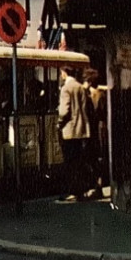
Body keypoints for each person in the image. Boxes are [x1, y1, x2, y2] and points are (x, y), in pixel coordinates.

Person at [56, 65, 91, 202]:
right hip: (81, 129)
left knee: (70, 163)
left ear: (64, 73)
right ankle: (81, 191)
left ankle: (73, 191)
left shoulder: (66, 88)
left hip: (69, 130)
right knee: (79, 161)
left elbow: (64, 111)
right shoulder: (80, 87)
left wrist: (59, 122)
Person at [82, 67, 109, 199]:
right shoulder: (100, 94)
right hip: (99, 128)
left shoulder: (91, 95)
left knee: (94, 157)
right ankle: (98, 184)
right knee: (98, 157)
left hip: (95, 129)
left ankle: (96, 185)